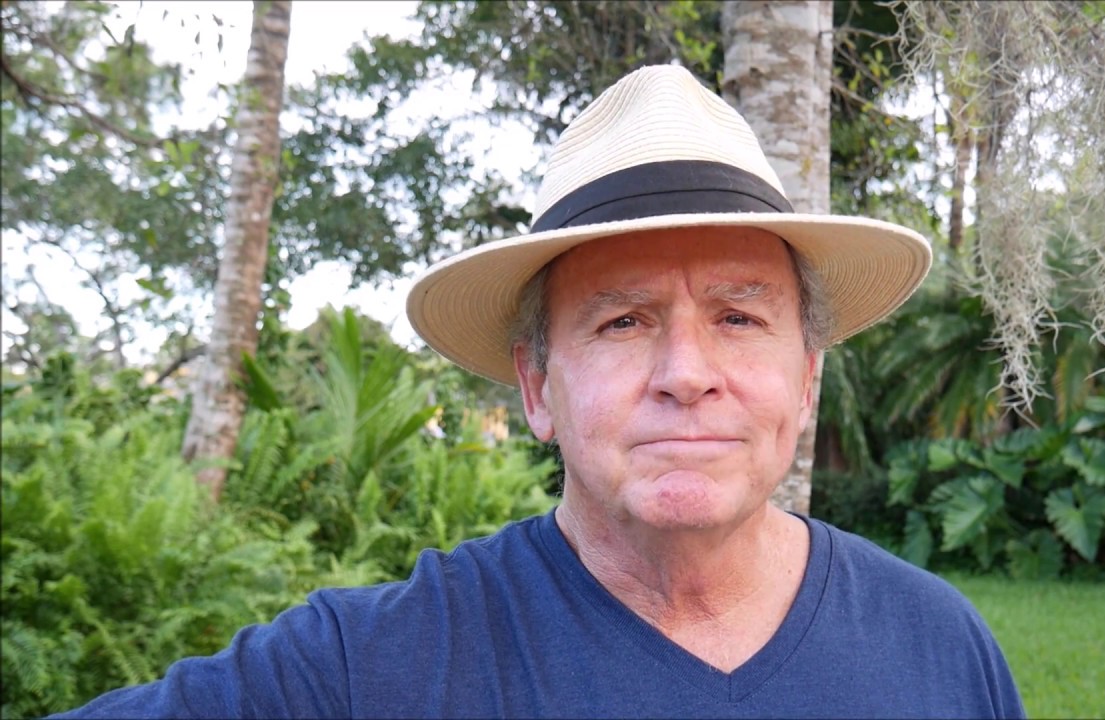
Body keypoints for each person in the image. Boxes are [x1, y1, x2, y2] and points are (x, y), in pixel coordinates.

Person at [56, 64, 1024, 719]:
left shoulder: (940, 655)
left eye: (737, 317)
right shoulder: (376, 671)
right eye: (621, 321)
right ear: (536, 384)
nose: (687, 374)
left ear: (806, 375)